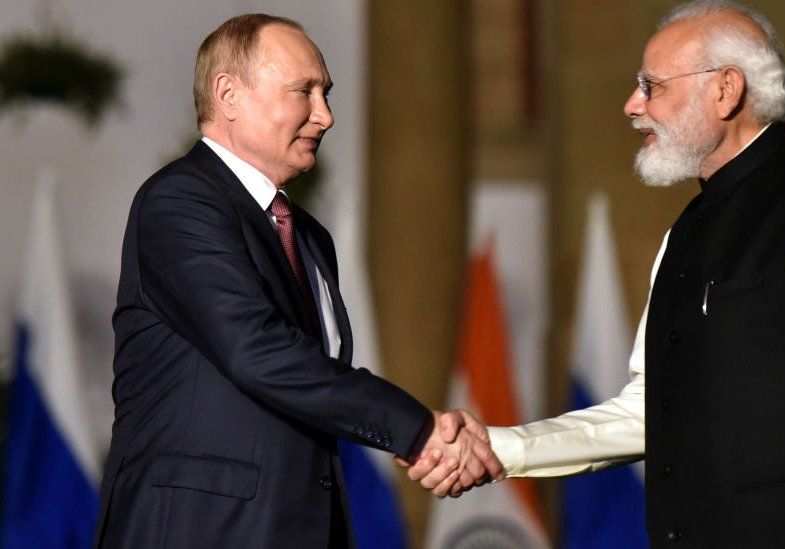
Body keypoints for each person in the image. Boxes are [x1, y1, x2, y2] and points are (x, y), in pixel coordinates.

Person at [408, 2, 785, 548]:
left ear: (725, 89)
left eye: (652, 85)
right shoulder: (682, 234)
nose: (631, 105)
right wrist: (502, 449)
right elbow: (651, 409)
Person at [94, 14, 500, 549]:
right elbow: (256, 351)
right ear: (228, 95)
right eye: (303, 92)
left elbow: (314, 378)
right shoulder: (179, 202)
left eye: (325, 93)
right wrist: (417, 430)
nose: (325, 115)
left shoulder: (307, 235)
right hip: (200, 531)